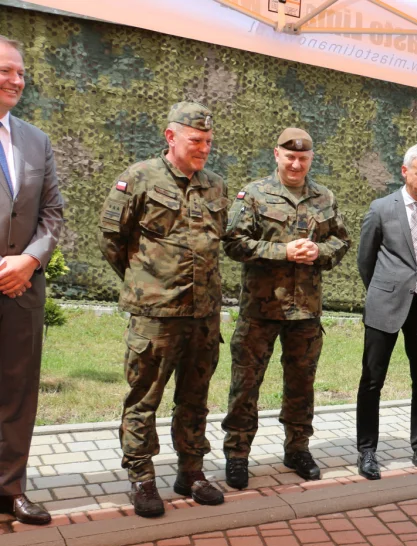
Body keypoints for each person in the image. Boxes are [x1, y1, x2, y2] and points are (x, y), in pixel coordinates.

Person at [98, 101, 229, 518]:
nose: (204, 148)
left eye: (208, 141)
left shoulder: (216, 186)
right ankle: (141, 477)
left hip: (204, 314)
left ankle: (191, 471)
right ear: (171, 136)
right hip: (156, 314)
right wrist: (145, 281)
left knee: (195, 398)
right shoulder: (139, 178)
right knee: (144, 398)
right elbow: (112, 239)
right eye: (196, 140)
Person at [221, 128, 350, 488]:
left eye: (303, 158)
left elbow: (341, 240)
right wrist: (283, 251)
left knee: (301, 385)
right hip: (261, 311)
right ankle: (237, 454)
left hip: (305, 312)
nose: (296, 164)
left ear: (311, 159)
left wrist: (319, 251)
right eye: (290, 156)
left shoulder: (324, 197)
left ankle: (297, 449)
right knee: (246, 384)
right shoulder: (254, 194)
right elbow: (233, 242)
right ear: (276, 154)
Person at [355, 142, 417, 480]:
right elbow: (365, 259)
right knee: (372, 380)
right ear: (405, 171)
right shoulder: (381, 208)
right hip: (384, 305)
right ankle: (367, 450)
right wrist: (384, 289)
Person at [0, 35, 64, 525]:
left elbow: (52, 213)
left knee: (17, 394)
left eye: (21, 72)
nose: (17, 80)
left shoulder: (35, 140)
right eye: (6, 70)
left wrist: (29, 261)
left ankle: (11, 489)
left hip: (22, 290)